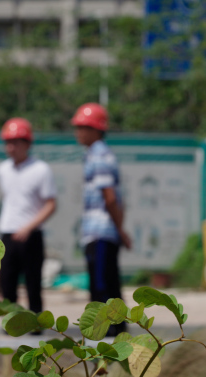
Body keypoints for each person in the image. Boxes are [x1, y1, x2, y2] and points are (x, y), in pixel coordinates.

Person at [72, 103, 131, 336]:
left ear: (97, 129)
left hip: (102, 232)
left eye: (83, 127)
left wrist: (120, 230)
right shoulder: (95, 154)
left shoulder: (100, 156)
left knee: (102, 287)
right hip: (98, 232)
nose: (78, 132)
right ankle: (115, 331)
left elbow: (109, 197)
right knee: (106, 284)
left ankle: (110, 334)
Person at [0, 118, 57, 316]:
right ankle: (10, 324)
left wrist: (29, 227)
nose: (11, 147)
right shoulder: (3, 169)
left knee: (33, 284)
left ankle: (37, 326)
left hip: (31, 234)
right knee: (7, 283)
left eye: (15, 142)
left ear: (27, 144)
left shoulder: (40, 169)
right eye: (7, 142)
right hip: (7, 231)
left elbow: (51, 204)